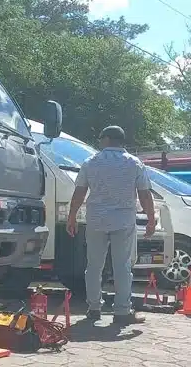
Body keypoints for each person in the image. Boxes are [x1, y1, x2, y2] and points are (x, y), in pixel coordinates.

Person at [66, 125, 156, 325]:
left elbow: (80, 192)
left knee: (94, 266)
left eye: (101, 139)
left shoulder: (91, 162)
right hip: (123, 221)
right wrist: (151, 218)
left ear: (106, 139)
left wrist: (72, 216)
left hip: (96, 220)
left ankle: (94, 308)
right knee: (122, 266)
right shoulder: (134, 163)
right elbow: (144, 194)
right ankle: (122, 311)